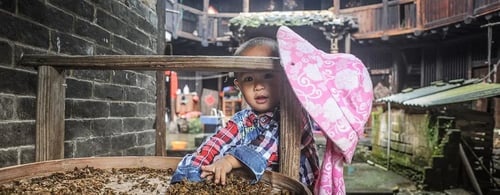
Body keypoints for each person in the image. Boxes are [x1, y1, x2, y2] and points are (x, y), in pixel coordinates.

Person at [170, 37, 320, 188]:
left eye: (268, 75)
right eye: (249, 79)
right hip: (262, 186)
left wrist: (229, 161)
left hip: (298, 186)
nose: (259, 86)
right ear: (239, 86)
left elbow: (270, 143)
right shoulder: (242, 119)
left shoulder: (294, 112)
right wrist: (196, 170)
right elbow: (218, 142)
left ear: (284, 78)